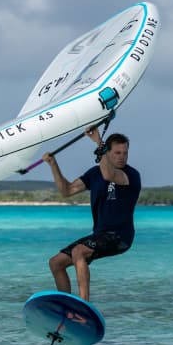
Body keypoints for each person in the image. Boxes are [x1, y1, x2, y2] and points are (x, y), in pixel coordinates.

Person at [43, 126, 140, 302]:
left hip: (120, 236)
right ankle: (66, 305)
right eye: (117, 153)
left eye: (125, 153)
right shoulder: (94, 174)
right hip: (100, 235)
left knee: (78, 251)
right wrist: (53, 164)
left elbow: (109, 174)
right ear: (108, 153)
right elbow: (67, 190)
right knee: (56, 263)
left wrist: (98, 142)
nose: (122, 157)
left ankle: (83, 304)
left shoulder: (130, 175)